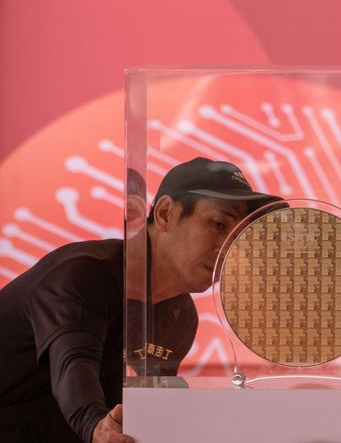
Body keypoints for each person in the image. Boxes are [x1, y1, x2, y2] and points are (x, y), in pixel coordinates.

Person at [0, 157, 280, 443]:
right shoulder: (84, 274)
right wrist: (97, 426)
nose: (228, 248)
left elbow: (152, 404)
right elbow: (74, 364)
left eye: (239, 236)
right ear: (165, 213)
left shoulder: (180, 317)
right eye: (219, 224)